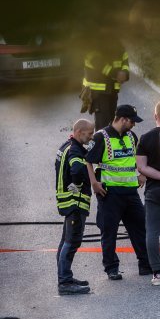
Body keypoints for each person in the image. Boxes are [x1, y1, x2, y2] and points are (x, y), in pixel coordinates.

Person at [85, 104, 151, 280]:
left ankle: (146, 264)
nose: (134, 125)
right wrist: (94, 183)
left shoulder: (131, 136)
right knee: (109, 231)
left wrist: (142, 174)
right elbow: (88, 161)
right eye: (132, 121)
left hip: (130, 193)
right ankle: (111, 268)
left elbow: (139, 158)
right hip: (110, 194)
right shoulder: (101, 137)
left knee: (140, 227)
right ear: (122, 119)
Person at [55, 119, 95, 295]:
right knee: (71, 242)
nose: (91, 136)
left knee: (65, 241)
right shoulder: (75, 150)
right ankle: (65, 283)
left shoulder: (66, 145)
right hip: (75, 202)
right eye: (89, 133)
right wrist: (78, 184)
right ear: (79, 132)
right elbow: (77, 169)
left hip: (67, 201)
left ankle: (66, 277)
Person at [136, 101, 160, 286]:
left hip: (154, 190)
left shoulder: (146, 138)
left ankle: (157, 273)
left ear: (155, 116)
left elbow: (141, 167)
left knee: (152, 231)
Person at [82, 34, 130, 130]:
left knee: (111, 123)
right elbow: (97, 63)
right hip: (97, 92)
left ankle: (109, 144)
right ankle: (102, 144)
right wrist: (116, 74)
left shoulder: (117, 43)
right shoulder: (92, 42)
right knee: (103, 127)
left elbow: (124, 59)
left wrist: (125, 73)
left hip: (112, 91)